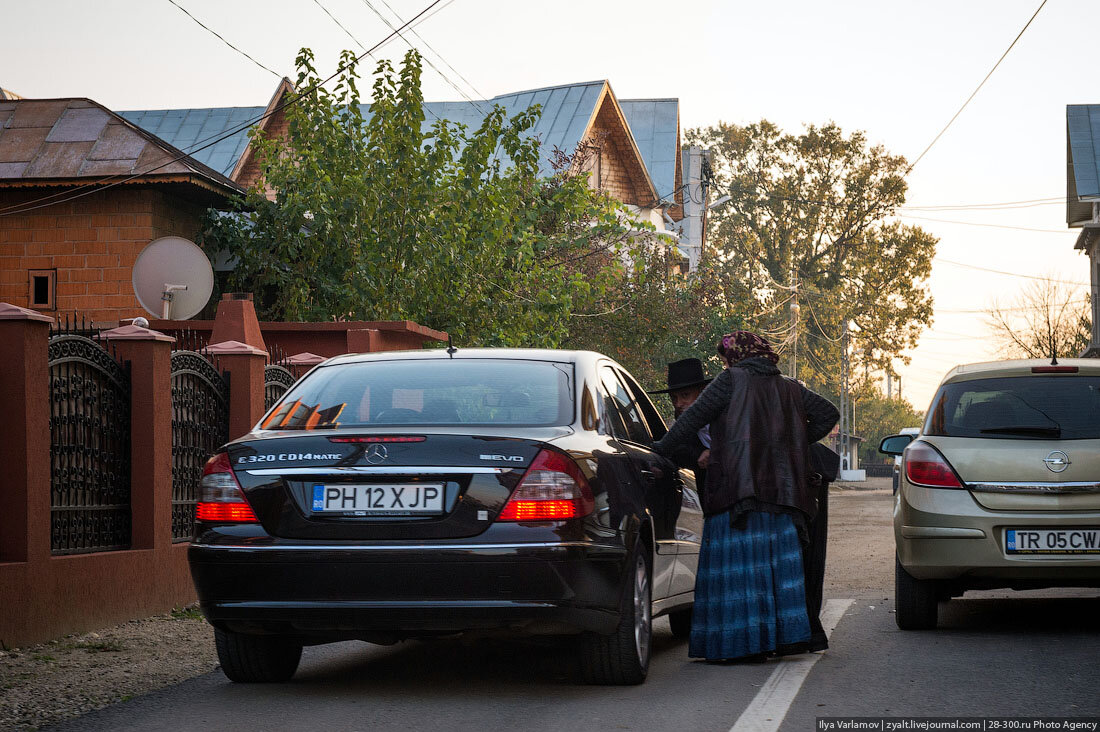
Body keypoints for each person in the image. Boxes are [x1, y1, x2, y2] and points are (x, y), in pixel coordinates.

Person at [652, 331, 839, 662]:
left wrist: (659, 451)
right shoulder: (791, 387)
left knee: (740, 574)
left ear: (735, 358)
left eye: (725, 359)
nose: (725, 364)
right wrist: (789, 441)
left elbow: (690, 420)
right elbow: (828, 414)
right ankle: (778, 642)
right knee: (772, 573)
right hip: (784, 500)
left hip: (739, 494)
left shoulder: (730, 381)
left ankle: (742, 646)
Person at [648, 358, 713, 484]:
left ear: (702, 392)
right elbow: (678, 450)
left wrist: (716, 452)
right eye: (673, 398)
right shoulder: (680, 427)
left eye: (685, 395)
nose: (678, 404)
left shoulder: (726, 416)